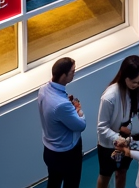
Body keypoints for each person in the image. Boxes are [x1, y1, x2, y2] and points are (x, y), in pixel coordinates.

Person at [95, 55, 139, 188]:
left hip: (127, 140)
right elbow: (102, 127)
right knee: (105, 175)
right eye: (135, 82)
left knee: (122, 172)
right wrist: (118, 138)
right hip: (108, 144)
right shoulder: (109, 97)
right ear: (125, 78)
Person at [38, 57, 86, 188]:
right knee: (71, 184)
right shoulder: (61, 105)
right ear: (64, 75)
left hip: (50, 151)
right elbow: (81, 125)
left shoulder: (43, 90)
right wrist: (79, 111)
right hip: (67, 155)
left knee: (53, 182)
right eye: (72, 71)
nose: (74, 73)